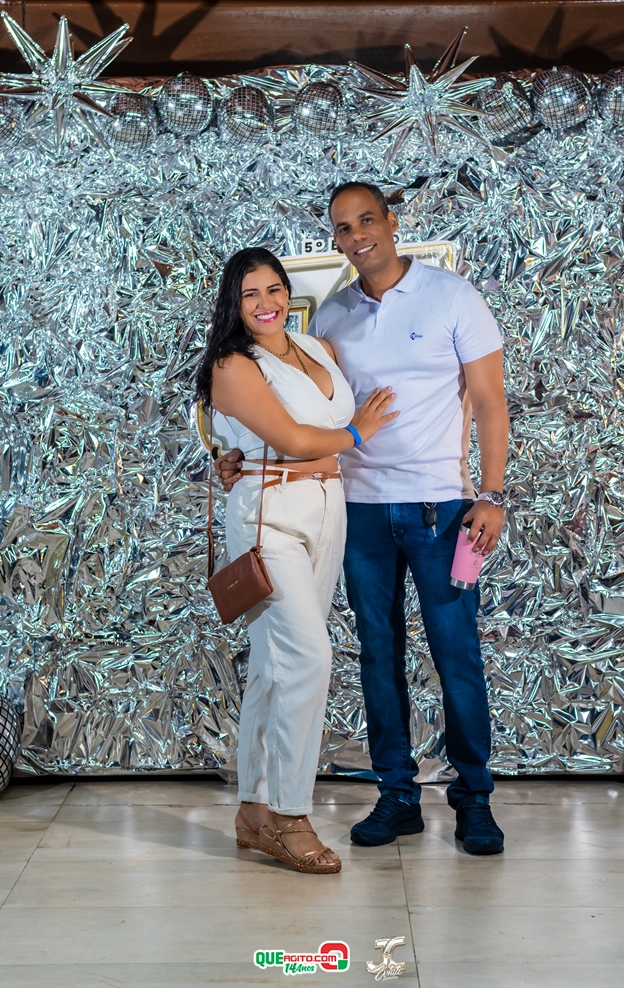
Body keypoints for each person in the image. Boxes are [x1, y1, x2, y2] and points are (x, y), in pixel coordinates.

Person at [219, 183, 510, 856]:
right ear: (336, 239)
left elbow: (490, 400)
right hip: (356, 512)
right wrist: (235, 454)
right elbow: (290, 407)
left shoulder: (452, 297)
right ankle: (396, 796)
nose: (357, 236)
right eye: (343, 228)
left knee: (456, 655)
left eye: (367, 221)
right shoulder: (332, 316)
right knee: (378, 655)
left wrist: (493, 493)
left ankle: (474, 800)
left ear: (391, 221)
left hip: (442, 510)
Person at [194, 246, 397, 874]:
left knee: (274, 665)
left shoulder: (315, 348)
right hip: (269, 515)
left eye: (274, 289)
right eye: (250, 294)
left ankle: (253, 811)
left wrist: (231, 453)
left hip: (327, 510)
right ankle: (289, 815)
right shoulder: (233, 363)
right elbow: (291, 438)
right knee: (309, 656)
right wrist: (358, 433)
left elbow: (290, 438)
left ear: (289, 292)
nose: (266, 303)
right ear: (234, 304)